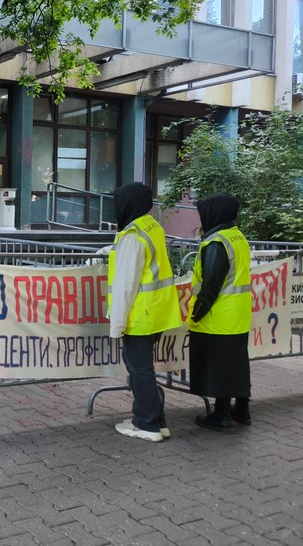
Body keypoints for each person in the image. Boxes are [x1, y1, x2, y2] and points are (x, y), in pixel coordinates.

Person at [108, 182, 182, 442]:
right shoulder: (151, 227)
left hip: (141, 315)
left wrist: (116, 325)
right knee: (143, 369)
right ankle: (155, 421)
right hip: (158, 312)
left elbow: (126, 285)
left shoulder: (132, 236)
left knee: (140, 371)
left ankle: (147, 424)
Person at [188, 193, 252, 431]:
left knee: (220, 366)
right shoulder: (237, 237)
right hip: (238, 313)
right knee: (237, 363)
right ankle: (242, 409)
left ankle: (222, 415)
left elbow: (211, 286)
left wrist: (197, 313)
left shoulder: (217, 242)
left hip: (219, 315)